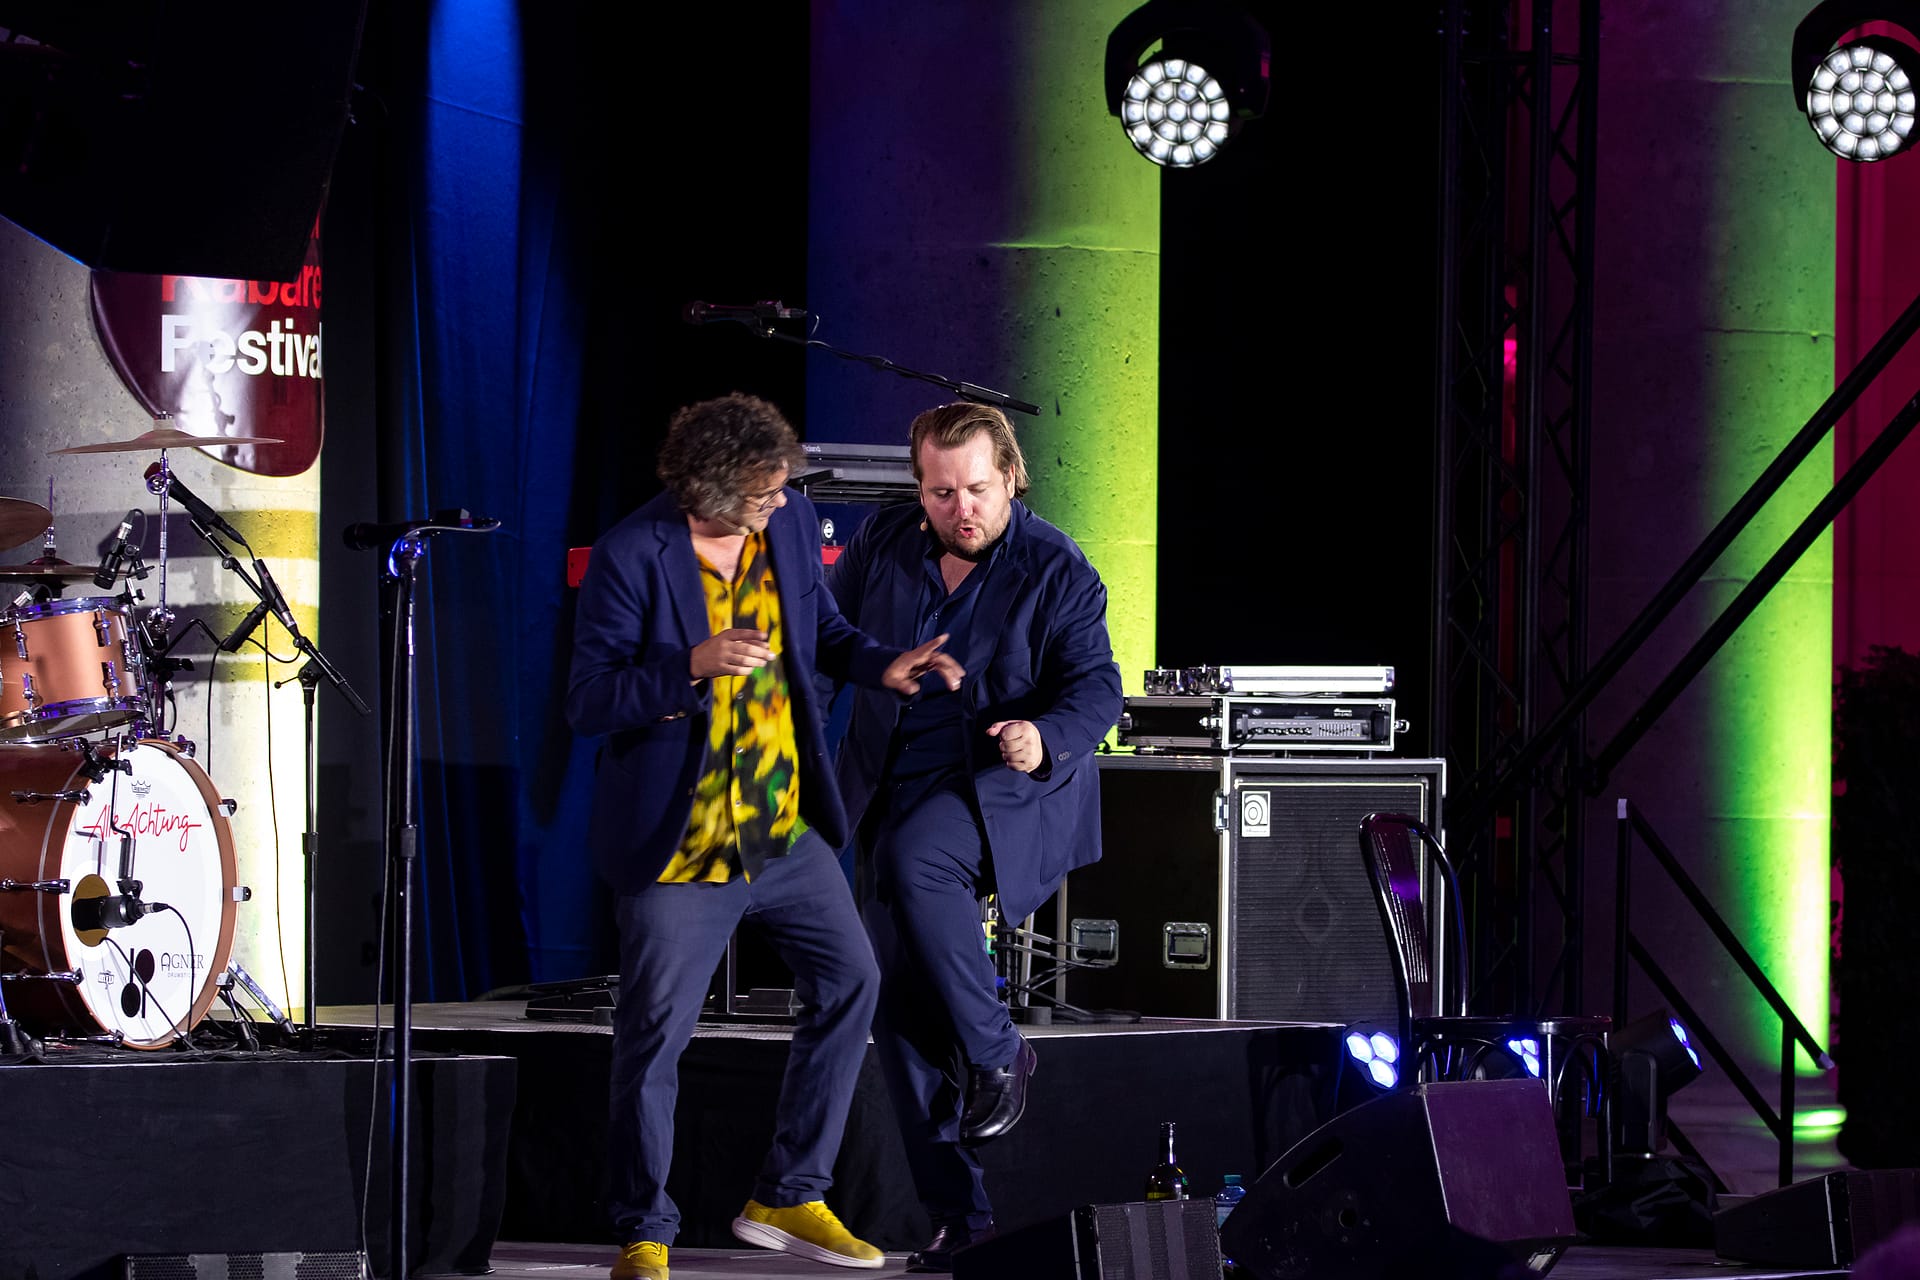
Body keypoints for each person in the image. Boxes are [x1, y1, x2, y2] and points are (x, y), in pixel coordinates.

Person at [566, 392, 965, 1280]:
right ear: (707, 490)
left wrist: (883, 665)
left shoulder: (786, 525)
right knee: (654, 1037)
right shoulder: (634, 554)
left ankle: (790, 1193)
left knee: (852, 980)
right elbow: (589, 701)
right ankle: (644, 1229)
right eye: (762, 494)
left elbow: (825, 633)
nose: (781, 503)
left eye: (782, 487)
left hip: (779, 824)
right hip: (684, 840)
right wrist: (689, 667)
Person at [825, 400, 1124, 1272]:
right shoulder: (884, 542)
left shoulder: (1057, 566)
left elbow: (1097, 687)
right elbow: (831, 644)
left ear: (1011, 478)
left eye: (979, 490)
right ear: (919, 488)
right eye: (942, 492)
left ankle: (1000, 1050)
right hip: (891, 784)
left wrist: (1044, 735)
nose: (962, 509)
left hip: (999, 785)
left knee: (919, 857)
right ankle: (962, 1216)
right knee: (895, 1002)